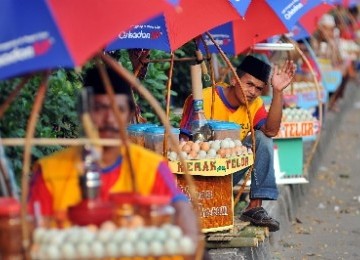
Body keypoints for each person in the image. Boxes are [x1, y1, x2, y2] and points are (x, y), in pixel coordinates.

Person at [28, 66, 199, 244]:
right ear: (84, 113)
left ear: (129, 115)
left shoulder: (151, 167)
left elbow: (179, 207)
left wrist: (191, 238)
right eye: (100, 108)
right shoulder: (50, 173)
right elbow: (30, 235)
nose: (110, 119)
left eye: (119, 109)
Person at [180, 55, 296, 232]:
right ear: (234, 79)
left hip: (228, 171)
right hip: (199, 174)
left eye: (259, 88)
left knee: (262, 138)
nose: (253, 92)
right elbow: (185, 142)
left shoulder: (255, 104)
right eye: (249, 84)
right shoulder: (203, 98)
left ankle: (254, 206)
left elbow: (271, 131)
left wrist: (278, 92)